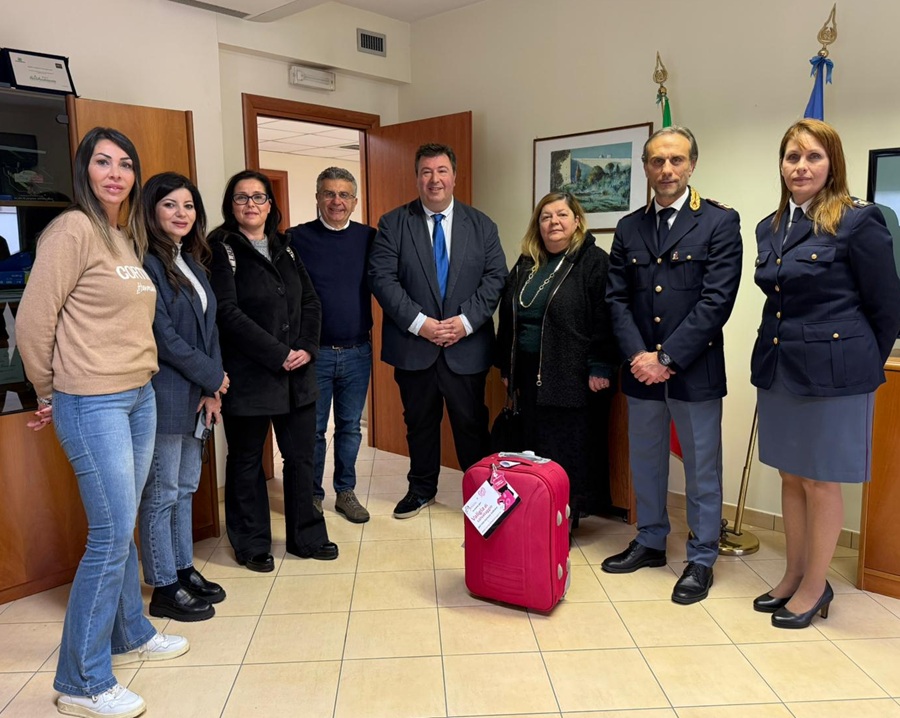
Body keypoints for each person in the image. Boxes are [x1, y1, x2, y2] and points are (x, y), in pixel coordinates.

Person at [17, 127, 187, 718]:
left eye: (125, 164)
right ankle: (82, 681)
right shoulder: (71, 229)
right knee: (109, 536)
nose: (115, 174)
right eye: (103, 162)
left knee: (122, 526)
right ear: (84, 170)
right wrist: (48, 391)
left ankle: (130, 632)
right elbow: (33, 320)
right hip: (93, 401)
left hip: (138, 396)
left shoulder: (120, 236)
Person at [750, 119, 900, 628]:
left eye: (813, 156)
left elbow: (887, 306)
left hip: (835, 374)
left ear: (832, 162)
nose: (801, 166)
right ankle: (794, 574)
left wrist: (859, 364)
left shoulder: (858, 220)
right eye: (792, 157)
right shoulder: (771, 226)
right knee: (791, 475)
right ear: (781, 165)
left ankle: (816, 586)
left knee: (820, 481)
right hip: (779, 366)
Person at [603, 126, 743, 605]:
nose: (666, 170)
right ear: (645, 167)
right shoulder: (629, 227)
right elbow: (616, 299)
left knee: (702, 470)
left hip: (693, 370)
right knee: (645, 461)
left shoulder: (719, 222)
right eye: (657, 161)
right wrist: (639, 358)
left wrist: (665, 358)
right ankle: (650, 541)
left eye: (676, 160)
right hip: (641, 371)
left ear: (692, 165)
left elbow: (716, 301)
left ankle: (701, 557)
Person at [369, 143, 508, 519]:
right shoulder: (393, 224)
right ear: (417, 178)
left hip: (467, 347)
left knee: (471, 424)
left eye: (442, 171)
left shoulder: (481, 225)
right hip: (414, 346)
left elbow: (496, 278)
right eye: (426, 172)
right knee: (419, 423)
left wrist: (464, 322)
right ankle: (421, 489)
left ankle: (484, 497)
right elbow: (382, 278)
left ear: (454, 176)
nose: (435, 179)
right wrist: (422, 324)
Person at [209, 170, 336, 572]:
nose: (251, 204)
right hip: (250, 376)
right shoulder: (220, 248)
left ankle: (306, 536)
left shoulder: (286, 247)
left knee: (301, 458)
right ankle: (251, 542)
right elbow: (226, 312)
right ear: (231, 205)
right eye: (242, 197)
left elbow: (311, 301)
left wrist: (307, 348)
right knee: (247, 460)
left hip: (297, 375)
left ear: (270, 205)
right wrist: (278, 353)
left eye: (258, 197)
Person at [139, 172, 229, 622]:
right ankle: (163, 586)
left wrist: (213, 387)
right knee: (162, 492)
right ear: (152, 210)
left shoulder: (190, 260)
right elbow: (164, 337)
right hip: (166, 393)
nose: (181, 213)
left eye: (189, 205)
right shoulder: (148, 264)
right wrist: (213, 376)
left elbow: (210, 328)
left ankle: (181, 567)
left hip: (198, 394)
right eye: (170, 205)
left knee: (187, 487)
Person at [496, 192, 617, 519]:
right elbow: (508, 315)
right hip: (527, 372)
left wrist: (601, 366)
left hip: (571, 373)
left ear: (577, 221)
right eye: (546, 216)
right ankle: (536, 513)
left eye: (562, 215)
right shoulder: (527, 262)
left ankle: (565, 517)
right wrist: (507, 366)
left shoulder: (593, 261)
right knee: (533, 445)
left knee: (567, 448)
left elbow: (607, 317)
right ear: (538, 224)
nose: (554, 222)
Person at [288, 167, 376, 524]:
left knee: (350, 427)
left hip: (358, 352)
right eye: (329, 193)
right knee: (313, 430)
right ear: (317, 198)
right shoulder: (295, 239)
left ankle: (345, 492)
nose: (336, 201)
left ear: (354, 201)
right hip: (315, 354)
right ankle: (312, 495)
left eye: (344, 195)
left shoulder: (369, 238)